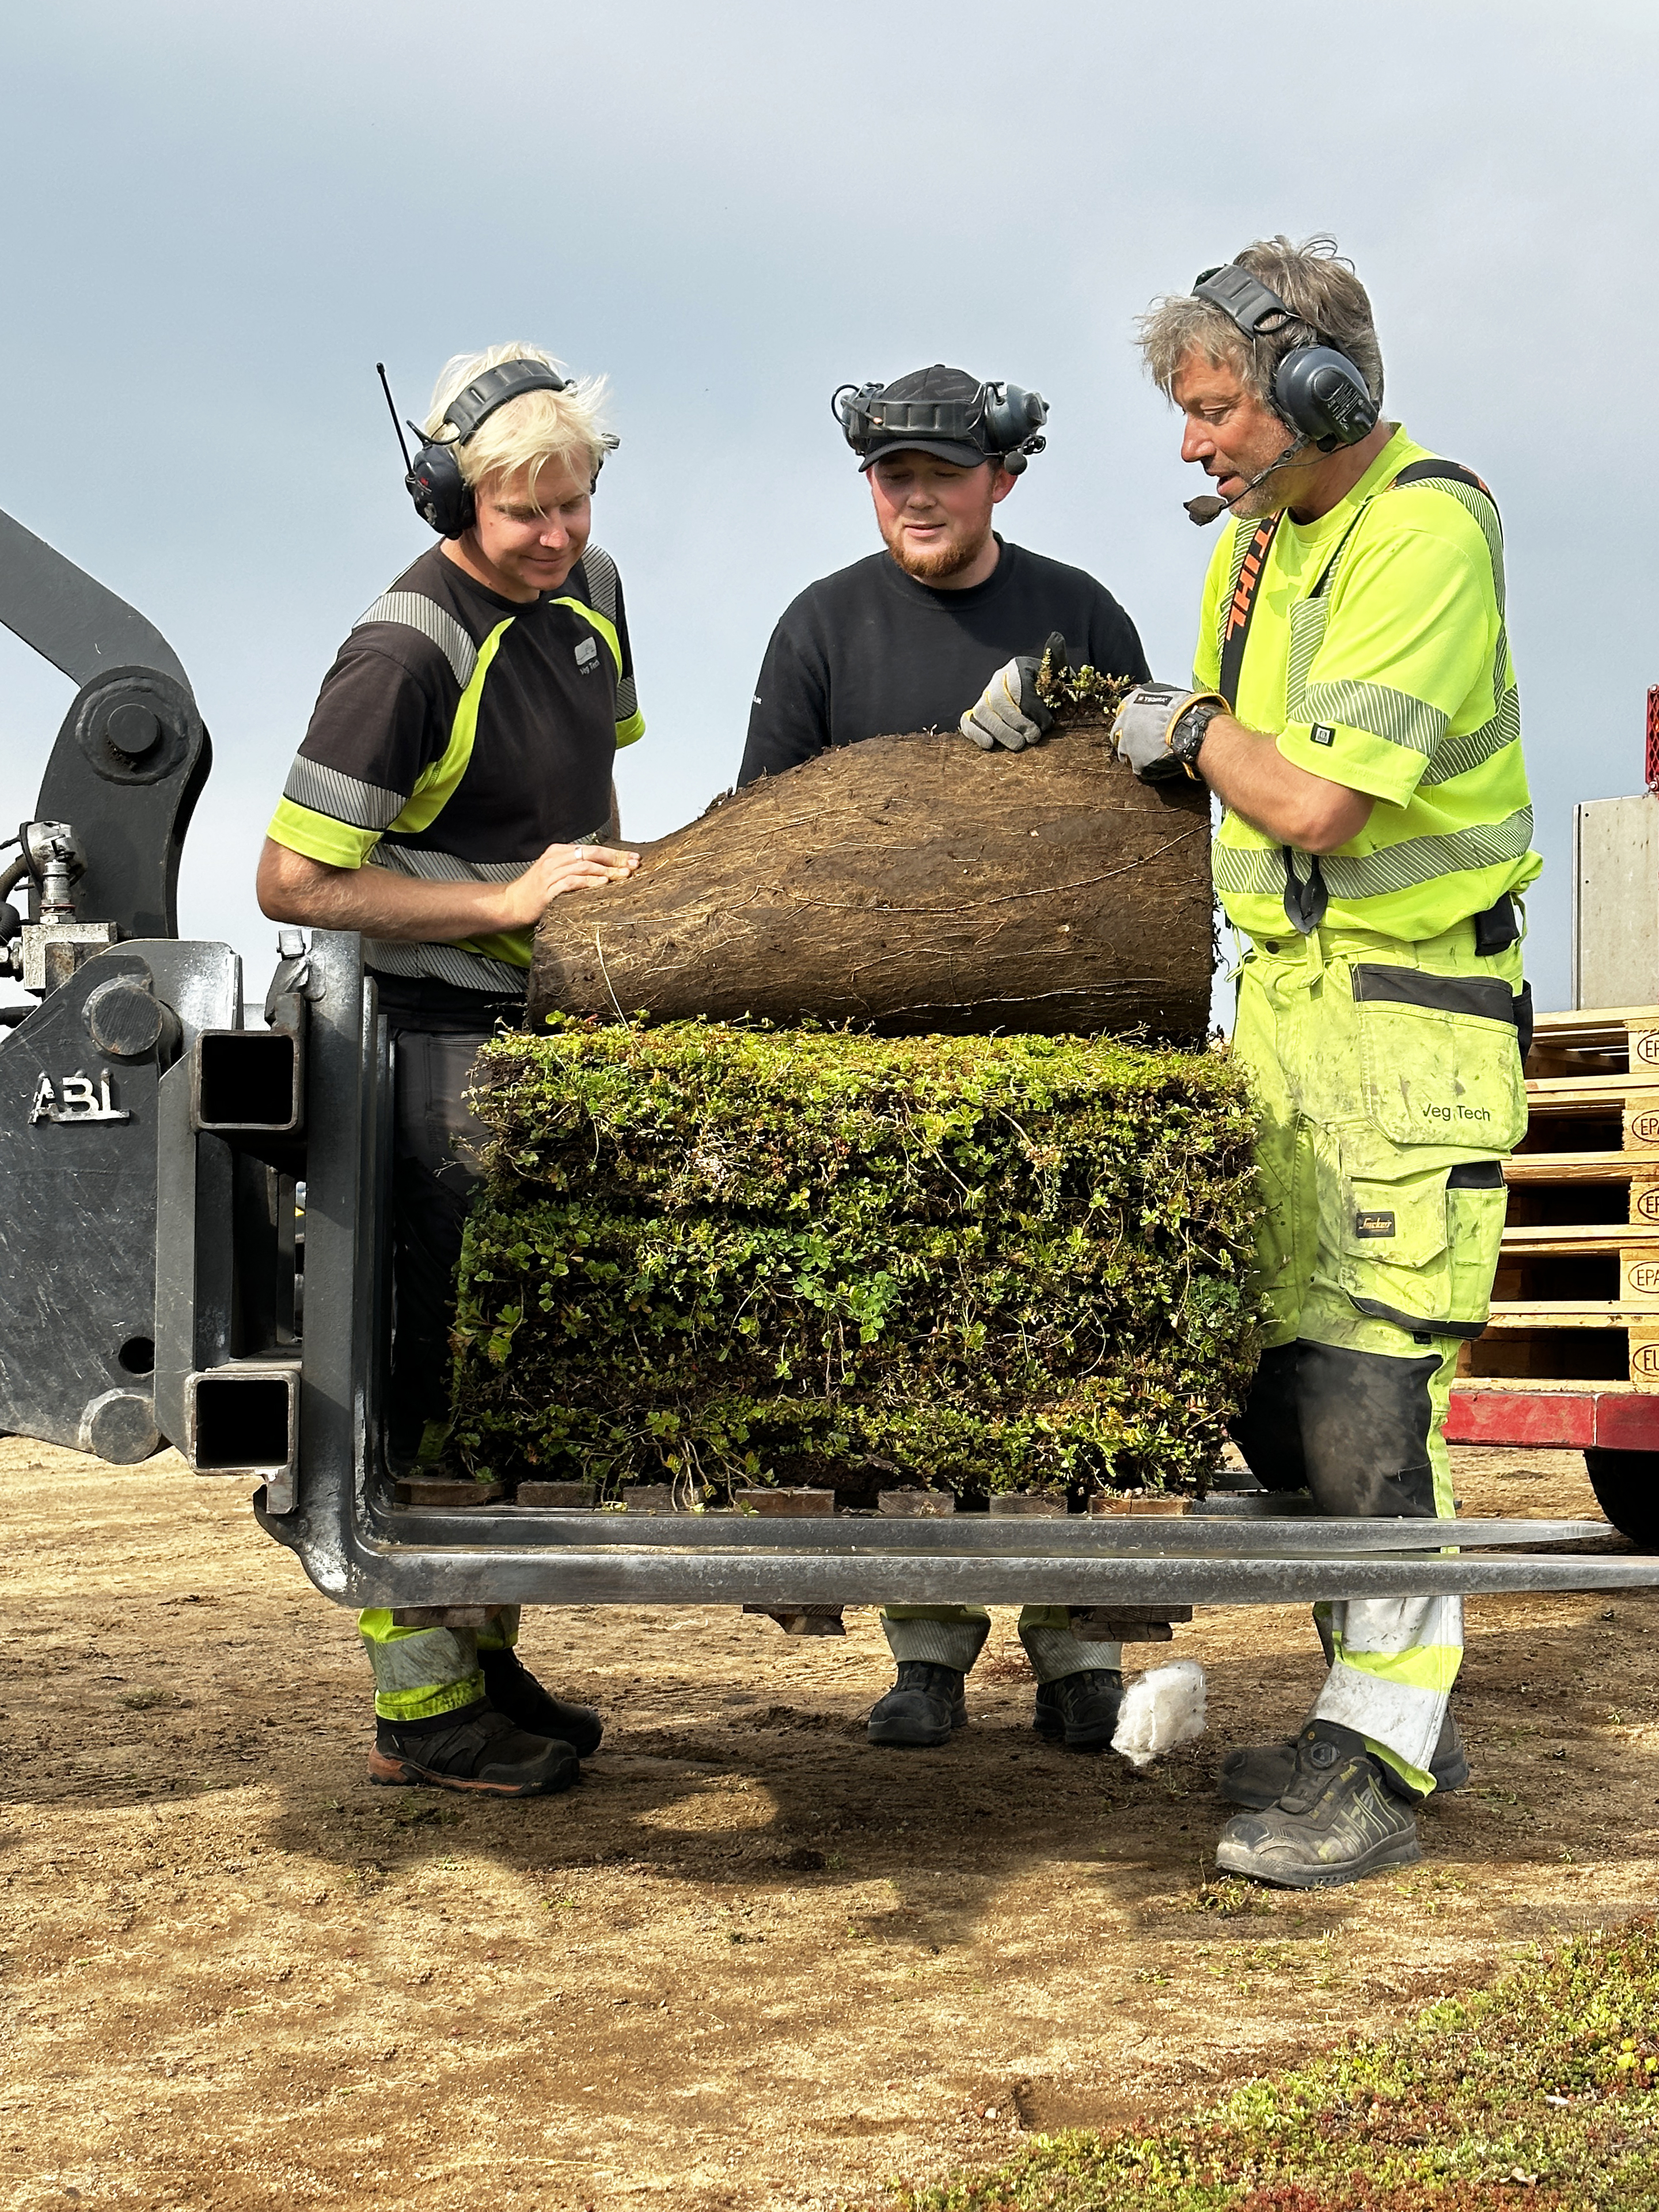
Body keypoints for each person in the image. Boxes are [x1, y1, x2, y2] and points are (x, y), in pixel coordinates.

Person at [1100, 236, 1536, 1885]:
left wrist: (1186, 729)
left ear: (1318, 389)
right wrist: (1085, 723)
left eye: (1216, 409)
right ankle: (1388, 1703)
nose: (1194, 443)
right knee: (1281, 1397)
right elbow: (1228, 756)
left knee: (1366, 1399)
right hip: (1285, 1022)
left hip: (1406, 1019)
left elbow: (1316, 799)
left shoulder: (1424, 532)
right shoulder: (1258, 547)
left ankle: (1378, 1755)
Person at [740, 363, 1153, 1752]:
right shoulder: (821, 626)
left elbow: (1142, 818)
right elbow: (763, 831)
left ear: (1003, 478)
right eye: (891, 476)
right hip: (886, 1061)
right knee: (917, 1346)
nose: (914, 498)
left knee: (1068, 1338)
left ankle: (1079, 1647)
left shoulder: (1078, 613)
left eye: (942, 475)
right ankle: (926, 1646)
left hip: (1056, 1046)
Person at [257, 342, 644, 1799]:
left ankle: (482, 1652)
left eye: (574, 505)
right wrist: (503, 902)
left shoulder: (591, 595)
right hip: (419, 1036)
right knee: (425, 1364)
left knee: (510, 1361)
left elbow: (593, 789)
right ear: (450, 499)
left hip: (541, 1024)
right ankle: (421, 1704)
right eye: (523, 513)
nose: (554, 537)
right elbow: (292, 878)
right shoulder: (403, 652)